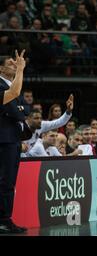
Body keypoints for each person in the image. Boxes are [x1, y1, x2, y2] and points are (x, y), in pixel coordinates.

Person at [0, 51, 28, 234]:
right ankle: (3, 220)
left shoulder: (9, 85)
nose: (14, 63)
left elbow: (24, 109)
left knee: (8, 181)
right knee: (5, 181)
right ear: (0, 68)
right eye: (10, 62)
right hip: (4, 139)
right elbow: (15, 92)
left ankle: (5, 219)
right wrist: (21, 69)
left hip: (12, 138)